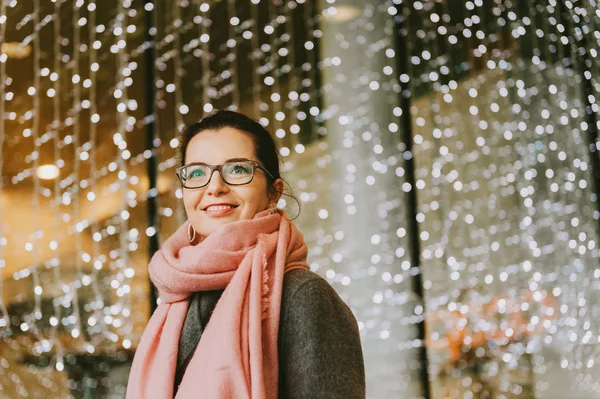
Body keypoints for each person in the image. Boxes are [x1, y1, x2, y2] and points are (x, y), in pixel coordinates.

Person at [126, 110, 365, 398]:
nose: (214, 187)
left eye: (237, 169)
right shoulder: (178, 293)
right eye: (197, 172)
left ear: (274, 192)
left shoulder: (302, 295)